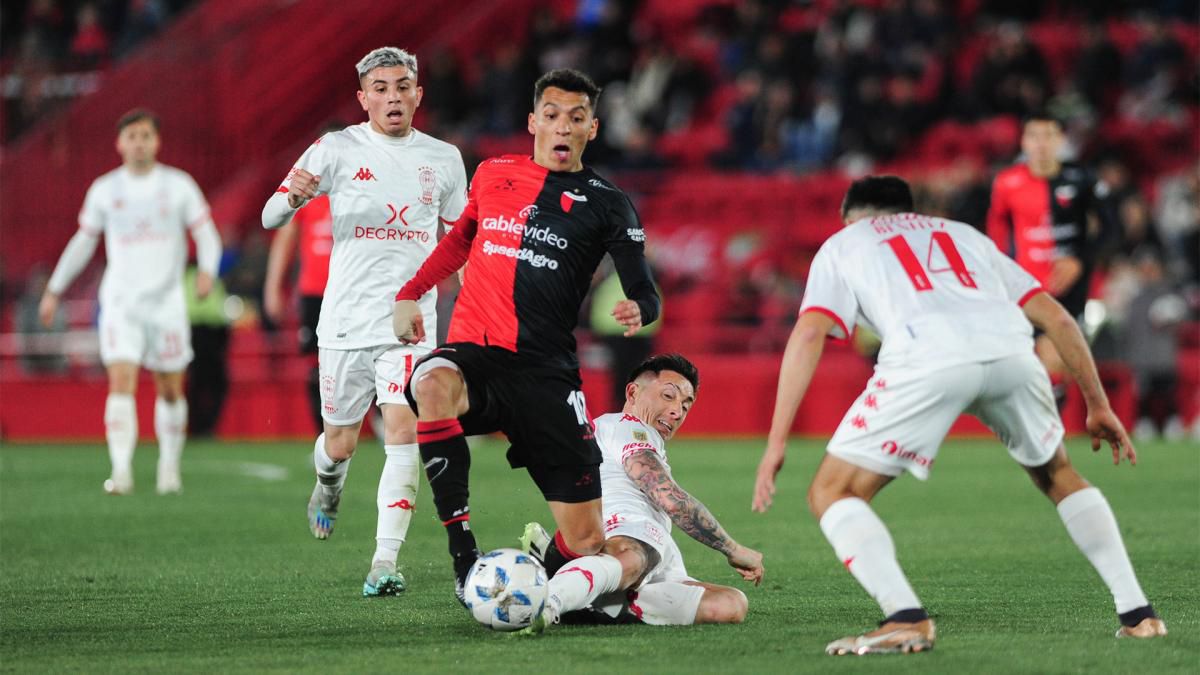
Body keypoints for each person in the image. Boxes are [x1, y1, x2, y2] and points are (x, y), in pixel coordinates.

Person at [753, 176, 1165, 656]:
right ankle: (1139, 615)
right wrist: (1098, 404)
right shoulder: (965, 235)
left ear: (852, 219)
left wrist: (777, 441)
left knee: (833, 491)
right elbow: (1056, 318)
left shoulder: (844, 243)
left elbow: (808, 334)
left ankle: (904, 618)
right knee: (1057, 473)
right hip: (1012, 352)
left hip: (928, 357)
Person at [392, 68, 661, 608]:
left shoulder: (609, 203)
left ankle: (539, 567)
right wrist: (411, 292)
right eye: (554, 115)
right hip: (477, 352)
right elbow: (461, 241)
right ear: (534, 120)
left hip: (546, 372)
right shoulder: (493, 173)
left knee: (587, 541)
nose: (564, 127)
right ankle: (463, 556)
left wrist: (641, 307)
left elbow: (644, 288)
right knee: (433, 384)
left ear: (593, 128)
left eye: (577, 118)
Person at [261, 47, 468, 598]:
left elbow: (460, 243)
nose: (392, 97)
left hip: (411, 324)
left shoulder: (444, 159)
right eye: (380, 88)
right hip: (346, 322)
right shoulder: (336, 148)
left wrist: (474, 306)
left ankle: (384, 562)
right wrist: (293, 199)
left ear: (418, 93)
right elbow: (269, 213)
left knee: (404, 432)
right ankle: (327, 487)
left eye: (402, 86)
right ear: (363, 98)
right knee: (341, 444)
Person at [39, 108, 222, 496]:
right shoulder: (105, 189)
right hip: (121, 302)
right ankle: (120, 471)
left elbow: (207, 234)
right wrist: (55, 289)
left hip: (167, 302)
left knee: (170, 387)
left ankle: (168, 468)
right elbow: (83, 242)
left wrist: (207, 270)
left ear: (157, 141)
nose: (139, 143)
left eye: (146, 136)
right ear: (119, 143)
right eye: (132, 137)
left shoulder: (178, 185)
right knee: (120, 380)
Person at [520, 354, 763, 629]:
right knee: (632, 556)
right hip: (625, 531)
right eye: (668, 396)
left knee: (730, 604)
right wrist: (732, 549)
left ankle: (585, 590)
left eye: (686, 404)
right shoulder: (627, 426)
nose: (677, 410)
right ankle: (547, 601)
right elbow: (669, 498)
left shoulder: (633, 437)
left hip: (657, 549)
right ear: (633, 392)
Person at [986, 112, 1116, 406]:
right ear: (1024, 142)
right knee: (1037, 359)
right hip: (1024, 285)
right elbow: (995, 235)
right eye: (1034, 136)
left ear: (1060, 140)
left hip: (1069, 285)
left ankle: (1048, 414)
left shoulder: (1083, 179)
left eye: (1048, 136)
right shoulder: (1007, 183)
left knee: (1055, 358)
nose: (1041, 144)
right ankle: (1047, 413)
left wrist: (1080, 260)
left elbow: (1112, 228)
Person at [262, 122, 342, 433]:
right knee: (317, 366)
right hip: (315, 292)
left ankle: (376, 427)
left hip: (353, 290)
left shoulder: (363, 190)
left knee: (364, 362)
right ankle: (322, 437)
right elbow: (285, 239)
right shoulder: (307, 192)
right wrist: (272, 287)